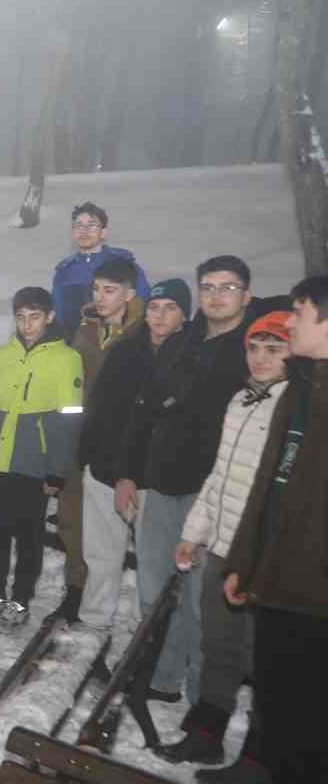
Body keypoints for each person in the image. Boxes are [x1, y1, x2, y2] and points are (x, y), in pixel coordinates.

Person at [116, 257, 282, 706]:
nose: (216, 296)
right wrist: (128, 472)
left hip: (215, 493)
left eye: (228, 288)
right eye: (207, 286)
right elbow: (144, 408)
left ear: (248, 295)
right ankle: (163, 676)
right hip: (161, 482)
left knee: (199, 600)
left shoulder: (256, 349)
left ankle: (200, 694)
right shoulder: (180, 343)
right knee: (154, 589)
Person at [157, 311, 291, 784]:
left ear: (295, 353)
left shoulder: (293, 410)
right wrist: (194, 532)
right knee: (220, 646)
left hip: (262, 557)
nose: (261, 358)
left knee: (263, 657)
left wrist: (264, 558)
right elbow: (219, 476)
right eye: (254, 347)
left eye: (274, 348)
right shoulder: (241, 401)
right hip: (222, 546)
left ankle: (260, 755)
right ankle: (207, 732)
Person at [221, 277, 328, 784]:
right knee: (280, 711)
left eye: (302, 313)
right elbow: (269, 482)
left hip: (316, 596)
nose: (289, 323)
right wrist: (243, 558)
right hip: (278, 584)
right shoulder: (300, 389)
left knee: (312, 725)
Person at [0, 288, 84, 632]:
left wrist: (57, 471)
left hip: (35, 462)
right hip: (0, 460)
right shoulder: (3, 356)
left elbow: (69, 418)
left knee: (28, 535)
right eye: (20, 317)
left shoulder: (66, 358)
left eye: (34, 317)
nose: (27, 325)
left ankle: (19, 601)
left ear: (49, 317)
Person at [74, 279, 187, 633]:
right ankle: (94, 617)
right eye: (154, 307)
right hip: (106, 465)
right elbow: (99, 404)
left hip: (154, 476)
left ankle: (147, 623)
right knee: (101, 550)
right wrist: (86, 455)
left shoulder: (191, 356)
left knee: (153, 558)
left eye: (170, 308)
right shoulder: (127, 349)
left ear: (185, 314)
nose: (160, 315)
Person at [53, 257, 143, 622]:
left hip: (123, 442)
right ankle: (76, 590)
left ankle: (145, 611)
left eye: (110, 290)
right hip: (82, 437)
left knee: (125, 528)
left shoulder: (141, 333)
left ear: (129, 293)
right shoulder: (86, 329)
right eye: (96, 289)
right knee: (72, 519)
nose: (101, 297)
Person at [50, 202, 150, 333]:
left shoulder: (123, 262)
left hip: (117, 341)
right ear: (73, 232)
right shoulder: (64, 270)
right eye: (79, 226)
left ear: (103, 232)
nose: (84, 231)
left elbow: (142, 303)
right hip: (74, 343)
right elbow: (58, 313)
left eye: (92, 225)